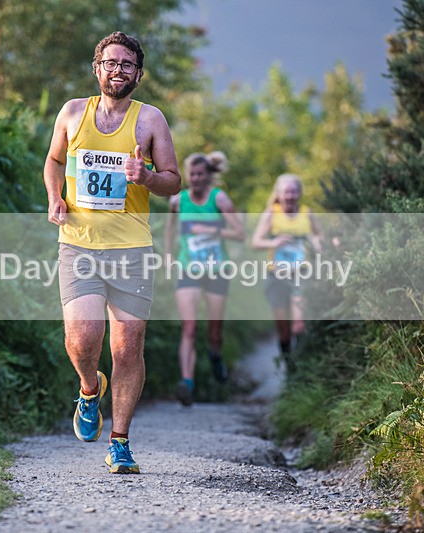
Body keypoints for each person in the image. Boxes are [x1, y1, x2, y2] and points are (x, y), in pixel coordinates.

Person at [44, 31, 181, 474]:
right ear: (97, 68)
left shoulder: (151, 121)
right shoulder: (72, 113)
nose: (117, 70)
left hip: (132, 249)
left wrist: (145, 178)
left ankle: (120, 441)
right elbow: (54, 161)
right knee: (83, 340)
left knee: (127, 348)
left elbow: (173, 180)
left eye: (126, 64)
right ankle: (89, 388)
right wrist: (54, 197)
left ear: (138, 74)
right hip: (78, 244)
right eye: (110, 62)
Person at [165, 152, 244, 406]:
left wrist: (211, 229)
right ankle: (186, 383)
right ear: (187, 176)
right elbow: (169, 229)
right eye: (192, 175)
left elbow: (239, 233)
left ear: (208, 175)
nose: (196, 179)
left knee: (214, 330)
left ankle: (215, 353)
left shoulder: (219, 199)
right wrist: (168, 256)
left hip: (216, 271)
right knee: (188, 327)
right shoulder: (178, 201)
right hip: (188, 268)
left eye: (200, 174)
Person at [250, 174, 322, 372]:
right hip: (276, 276)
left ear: (299, 193)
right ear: (279, 194)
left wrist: (318, 243)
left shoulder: (307, 214)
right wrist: (273, 242)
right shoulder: (271, 214)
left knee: (298, 324)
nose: (289, 196)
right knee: (283, 329)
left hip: (301, 274)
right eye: (286, 192)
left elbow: (318, 236)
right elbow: (255, 242)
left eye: (293, 192)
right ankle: (288, 361)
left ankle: (301, 369)